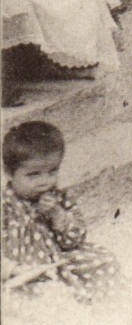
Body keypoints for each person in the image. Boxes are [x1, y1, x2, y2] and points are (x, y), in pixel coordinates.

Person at [2, 121, 122, 305]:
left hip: (58, 260)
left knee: (104, 262)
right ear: (10, 173)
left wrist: (58, 216)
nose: (45, 181)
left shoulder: (57, 198)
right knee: (50, 296)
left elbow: (74, 240)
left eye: (52, 172)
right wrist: (14, 270)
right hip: (24, 271)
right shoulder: (5, 206)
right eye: (33, 175)